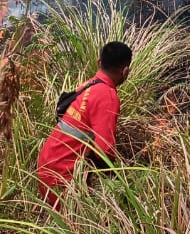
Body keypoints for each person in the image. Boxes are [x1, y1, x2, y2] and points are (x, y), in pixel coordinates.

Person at [37, 41, 133, 207]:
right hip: (62, 178)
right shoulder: (107, 96)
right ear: (125, 71)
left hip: (47, 167)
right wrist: (123, 187)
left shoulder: (90, 84)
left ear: (99, 62)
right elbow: (104, 151)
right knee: (81, 229)